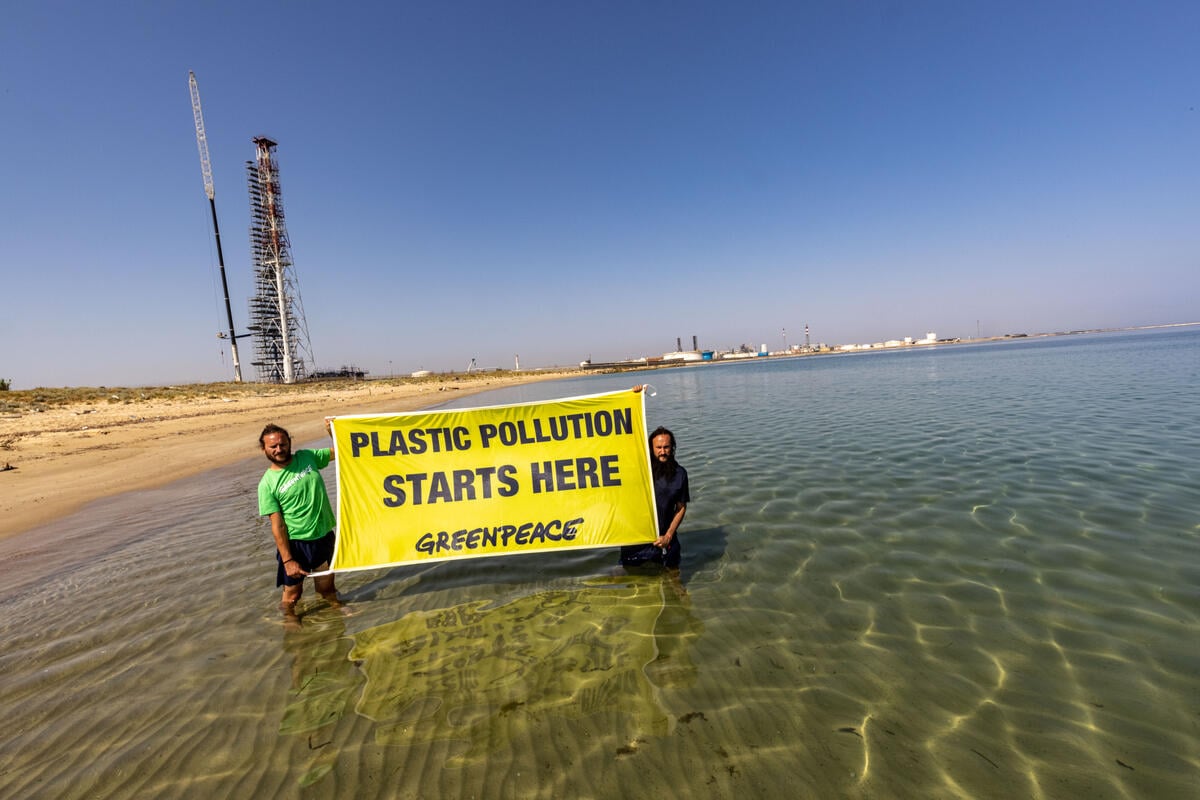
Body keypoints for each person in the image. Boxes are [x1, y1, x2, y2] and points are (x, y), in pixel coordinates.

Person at [258, 420, 342, 622]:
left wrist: (333, 432)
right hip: (296, 545)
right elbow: (277, 526)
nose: (279, 449)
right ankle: (289, 618)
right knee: (293, 594)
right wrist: (288, 560)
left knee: (326, 587)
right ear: (264, 449)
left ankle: (334, 606)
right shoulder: (267, 484)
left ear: (289, 443)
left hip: (323, 538)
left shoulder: (307, 457)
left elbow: (340, 451)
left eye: (283, 444)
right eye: (273, 446)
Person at [621, 424, 689, 569]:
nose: (663, 452)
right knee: (630, 579)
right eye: (658, 448)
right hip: (636, 539)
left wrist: (669, 536)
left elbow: (681, 508)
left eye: (666, 447)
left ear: (672, 448)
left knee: (675, 579)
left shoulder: (680, 474)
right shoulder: (639, 470)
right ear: (651, 449)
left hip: (665, 538)